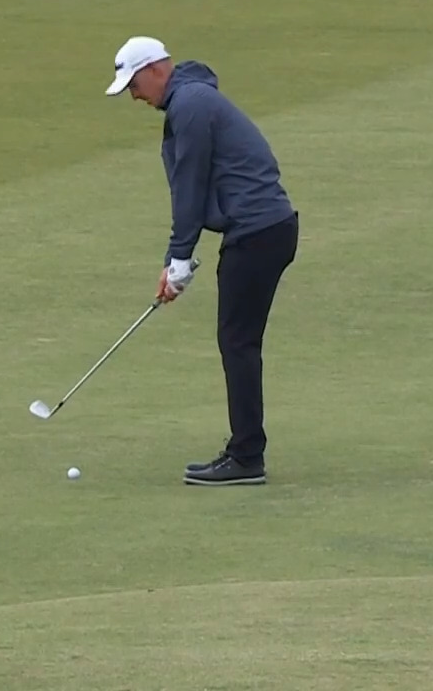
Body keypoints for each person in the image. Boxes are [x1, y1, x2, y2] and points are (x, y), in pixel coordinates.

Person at [105, 36, 299, 486]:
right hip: (263, 230)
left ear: (156, 69)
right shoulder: (192, 99)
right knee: (239, 341)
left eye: (134, 84)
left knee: (238, 343)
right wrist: (181, 261)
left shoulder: (189, 105)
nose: (134, 95)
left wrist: (178, 260)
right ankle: (246, 451)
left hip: (258, 234)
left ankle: (247, 456)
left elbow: (189, 189)